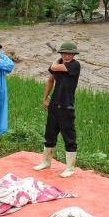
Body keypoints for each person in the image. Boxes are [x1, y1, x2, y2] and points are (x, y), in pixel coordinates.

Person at [34, 41, 82, 178]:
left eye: (70, 54)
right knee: (49, 134)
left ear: (74, 55)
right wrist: (45, 98)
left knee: (69, 137)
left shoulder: (75, 65)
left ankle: (70, 168)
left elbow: (54, 66)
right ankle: (46, 161)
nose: (67, 56)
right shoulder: (58, 66)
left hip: (67, 107)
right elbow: (50, 80)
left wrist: (56, 58)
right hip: (54, 105)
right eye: (64, 53)